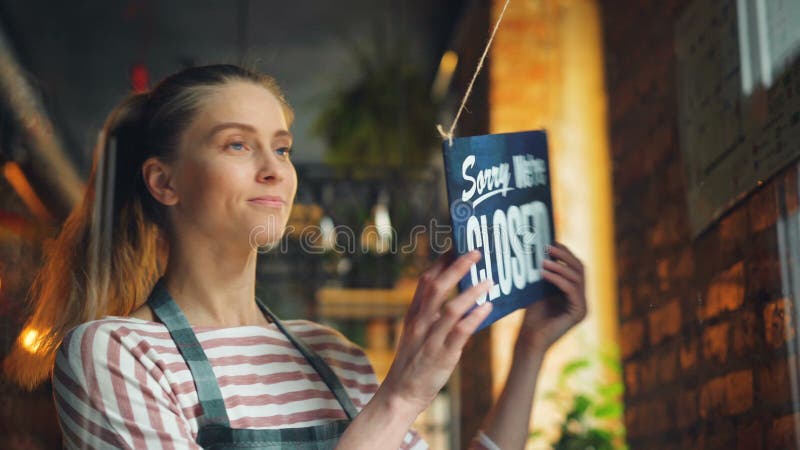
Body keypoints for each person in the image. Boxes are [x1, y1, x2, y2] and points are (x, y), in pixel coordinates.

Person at [5, 64, 586, 449]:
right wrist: (403, 395)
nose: (274, 169)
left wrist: (531, 347)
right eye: (238, 144)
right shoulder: (115, 354)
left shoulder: (335, 356)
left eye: (281, 147)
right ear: (164, 182)